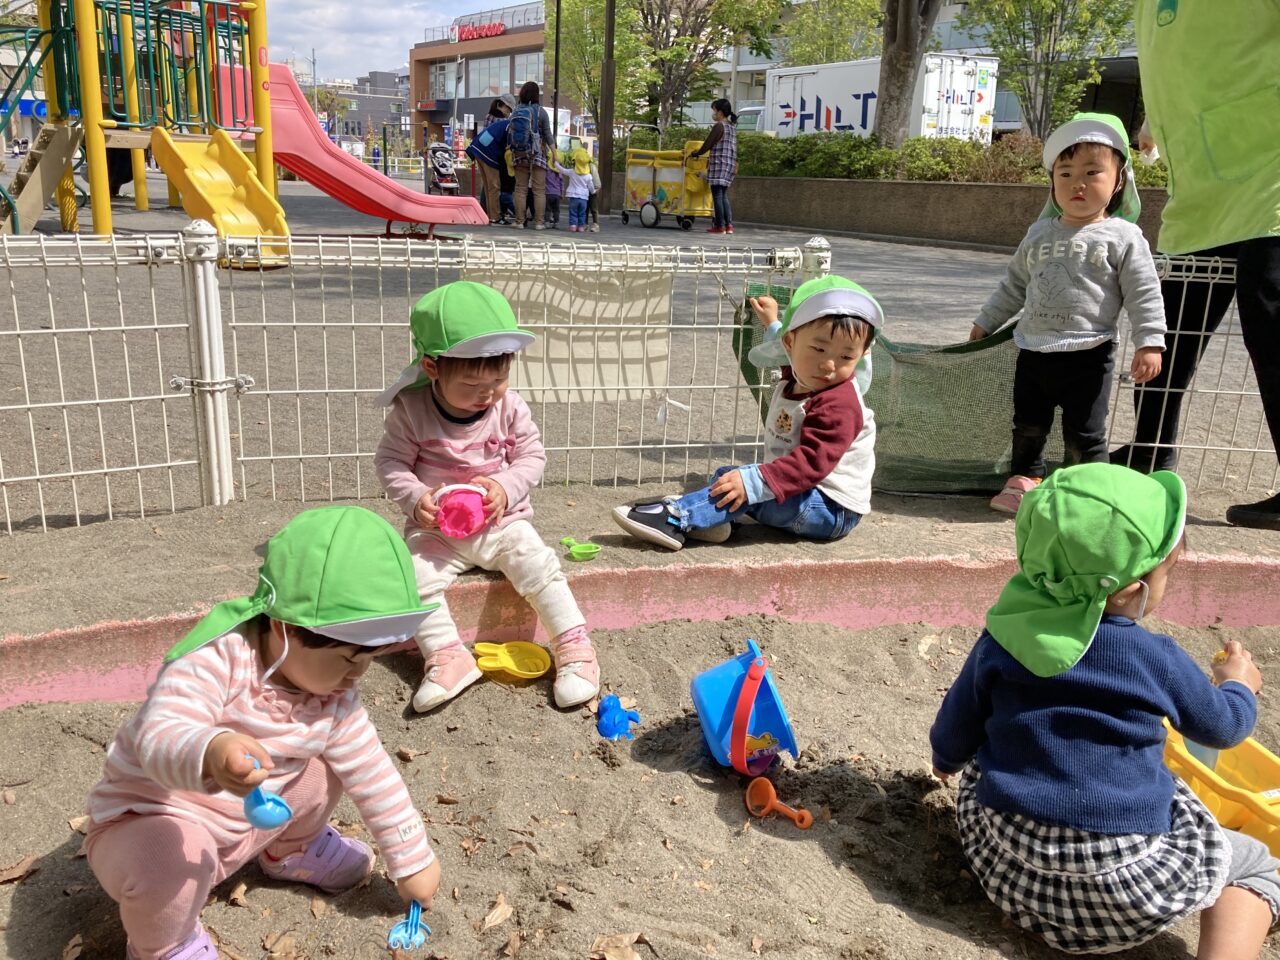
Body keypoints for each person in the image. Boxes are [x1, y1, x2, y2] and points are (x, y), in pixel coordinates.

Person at [930, 463, 1278, 958]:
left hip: (1007, 860)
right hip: (1123, 884)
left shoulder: (1002, 638)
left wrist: (945, 763)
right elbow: (1224, 728)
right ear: (1133, 591)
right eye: (1164, 572)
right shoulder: (1154, 657)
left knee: (979, 766)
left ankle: (1045, 919)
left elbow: (953, 732)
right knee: (1257, 866)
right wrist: (1240, 686)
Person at [84, 506, 442, 960]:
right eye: (348, 656)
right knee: (168, 858)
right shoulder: (217, 659)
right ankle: (166, 945)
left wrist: (412, 858)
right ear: (284, 627)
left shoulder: (332, 695)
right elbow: (159, 735)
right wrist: (212, 750)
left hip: (249, 826)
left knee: (329, 764)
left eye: (369, 657)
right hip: (153, 823)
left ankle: (292, 850)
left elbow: (372, 772)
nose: (357, 674)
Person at [374, 281, 600, 712]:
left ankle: (574, 646)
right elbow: (390, 464)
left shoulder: (508, 406)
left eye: (498, 380)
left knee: (538, 562)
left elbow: (532, 455)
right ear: (432, 367)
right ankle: (447, 656)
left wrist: (506, 487)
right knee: (410, 578)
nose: (488, 394)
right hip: (438, 532)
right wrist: (416, 497)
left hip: (502, 522)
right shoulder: (412, 410)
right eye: (473, 385)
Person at [1110, 3, 1280, 532]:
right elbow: (1172, 59)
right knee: (1167, 332)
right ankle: (1150, 449)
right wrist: (1151, 123)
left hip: (1269, 173)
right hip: (1200, 190)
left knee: (1273, 331)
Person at [969, 113, 1166, 515]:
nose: (1078, 183)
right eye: (1065, 173)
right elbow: (1014, 285)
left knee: (1086, 431)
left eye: (1093, 172)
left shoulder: (1123, 237)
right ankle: (1025, 479)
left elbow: (1144, 292)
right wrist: (987, 321)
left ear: (1119, 181)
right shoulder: (1039, 233)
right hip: (1034, 349)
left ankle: (1091, 491)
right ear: (1052, 182)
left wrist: (1150, 342)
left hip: (1089, 353)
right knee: (1028, 425)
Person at [612, 275, 879, 550]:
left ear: (860, 356)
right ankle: (715, 521)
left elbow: (810, 464)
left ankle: (679, 517)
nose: (828, 364)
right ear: (791, 344)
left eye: (847, 357)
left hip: (829, 509)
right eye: (819, 348)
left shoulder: (839, 403)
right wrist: (771, 321)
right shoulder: (800, 371)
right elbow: (783, 344)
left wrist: (752, 482)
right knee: (727, 475)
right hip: (803, 493)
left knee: (746, 484)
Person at [508, 81, 554, 230]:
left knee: (520, 188)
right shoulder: (541, 112)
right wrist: (554, 153)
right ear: (536, 95)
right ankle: (539, 223)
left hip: (519, 153)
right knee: (539, 190)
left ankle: (519, 221)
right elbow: (547, 134)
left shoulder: (516, 111)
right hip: (537, 153)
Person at [689, 99, 738, 235]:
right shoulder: (732, 127)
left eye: (714, 111)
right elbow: (734, 148)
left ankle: (720, 226)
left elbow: (708, 144)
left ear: (720, 112)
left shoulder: (719, 126)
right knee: (723, 195)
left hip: (718, 164)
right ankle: (728, 226)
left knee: (717, 194)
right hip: (729, 164)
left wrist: (696, 153)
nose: (714, 114)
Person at [468, 93, 517, 224]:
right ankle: (495, 217)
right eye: (509, 109)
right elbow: (507, 144)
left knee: (489, 186)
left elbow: (487, 135)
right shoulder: (508, 124)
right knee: (494, 186)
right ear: (505, 106)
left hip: (478, 148)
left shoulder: (489, 116)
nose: (509, 112)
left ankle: (489, 215)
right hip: (489, 153)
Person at [551, 147, 594, 233]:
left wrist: (555, 163)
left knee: (573, 212)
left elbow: (562, 170)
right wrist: (593, 192)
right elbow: (591, 187)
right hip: (584, 198)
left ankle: (573, 226)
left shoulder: (572, 172)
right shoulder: (588, 176)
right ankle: (581, 227)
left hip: (573, 196)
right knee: (582, 213)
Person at [543, 164, 563, 228]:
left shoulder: (547, 172)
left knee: (547, 209)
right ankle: (556, 223)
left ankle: (547, 223)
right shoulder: (559, 174)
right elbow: (561, 184)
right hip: (557, 194)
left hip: (548, 193)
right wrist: (561, 193)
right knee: (556, 210)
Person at [586, 152, 602, 232]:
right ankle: (584, 224)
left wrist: (596, 189)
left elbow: (596, 179)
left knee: (593, 208)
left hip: (592, 191)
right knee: (585, 209)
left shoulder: (591, 166)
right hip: (583, 191)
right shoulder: (577, 166)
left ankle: (596, 224)